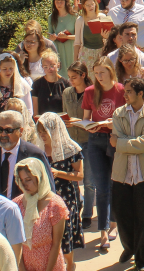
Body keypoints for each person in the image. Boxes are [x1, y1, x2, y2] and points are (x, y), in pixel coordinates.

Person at [110, 77, 144, 270]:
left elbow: (143, 142)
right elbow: (139, 143)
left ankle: (143, 260)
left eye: (129, 92)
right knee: (122, 216)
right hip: (122, 174)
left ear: (140, 93)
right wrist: (142, 145)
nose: (124, 95)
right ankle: (129, 247)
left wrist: (124, 143)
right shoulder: (118, 113)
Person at [81, 56, 125, 250]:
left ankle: (115, 223)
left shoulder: (121, 90)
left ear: (110, 71)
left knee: (115, 183)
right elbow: (85, 119)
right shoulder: (90, 92)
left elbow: (127, 117)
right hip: (96, 141)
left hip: (115, 140)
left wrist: (112, 123)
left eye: (102, 72)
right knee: (101, 186)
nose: (99, 76)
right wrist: (88, 127)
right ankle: (103, 231)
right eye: (96, 73)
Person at [36, 113, 85, 270]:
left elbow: (80, 175)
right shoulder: (38, 150)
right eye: (40, 132)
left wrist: (58, 173)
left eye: (45, 132)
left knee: (65, 234)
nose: (42, 136)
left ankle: (70, 264)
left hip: (66, 196)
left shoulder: (71, 148)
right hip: (44, 197)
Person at [0, 111, 55, 201]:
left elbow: (48, 189)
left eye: (8, 130)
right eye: (0, 130)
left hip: (25, 211)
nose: (3, 134)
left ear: (20, 131)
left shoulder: (35, 155)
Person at [14, 158, 68, 271]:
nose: (24, 184)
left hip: (50, 266)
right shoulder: (16, 204)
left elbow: (56, 243)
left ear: (40, 177)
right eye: (22, 180)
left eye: (28, 179)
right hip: (25, 266)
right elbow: (15, 242)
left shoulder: (55, 204)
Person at [61, 61, 96, 228]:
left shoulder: (93, 92)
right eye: (69, 78)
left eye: (74, 77)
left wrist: (77, 122)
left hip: (88, 140)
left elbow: (93, 119)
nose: (71, 81)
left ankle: (88, 213)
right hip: (71, 142)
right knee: (73, 179)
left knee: (89, 180)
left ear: (83, 75)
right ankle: (78, 205)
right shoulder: (67, 92)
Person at [0, 53, 34, 135]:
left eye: (11, 68)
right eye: (4, 69)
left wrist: (16, 129)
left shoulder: (23, 86)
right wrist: (1, 130)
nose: (8, 71)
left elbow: (29, 111)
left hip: (18, 131)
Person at [46, 0, 77, 75]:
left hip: (71, 48)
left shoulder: (74, 16)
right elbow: (49, 36)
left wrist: (66, 36)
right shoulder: (51, 17)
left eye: (61, 2)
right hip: (58, 48)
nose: (59, 4)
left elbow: (79, 36)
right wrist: (52, 38)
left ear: (66, 2)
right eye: (57, 2)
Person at [32, 50, 70, 115]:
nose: (49, 69)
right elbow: (35, 111)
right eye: (45, 67)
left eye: (52, 66)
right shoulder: (37, 84)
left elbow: (69, 108)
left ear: (58, 65)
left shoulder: (65, 84)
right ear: (42, 67)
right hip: (43, 121)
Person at [74, 0, 107, 67]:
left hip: (101, 52)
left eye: (92, 4)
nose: (90, 7)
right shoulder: (80, 20)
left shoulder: (103, 17)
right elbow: (77, 43)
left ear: (95, 4)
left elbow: (109, 37)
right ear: (83, 6)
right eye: (87, 5)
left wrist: (105, 37)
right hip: (86, 53)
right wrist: (75, 61)